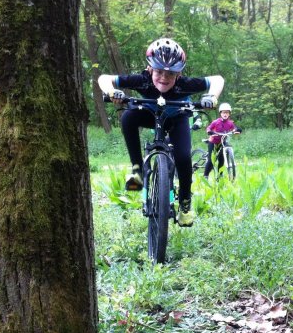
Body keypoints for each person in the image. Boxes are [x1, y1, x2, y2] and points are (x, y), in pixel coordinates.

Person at [98, 38, 224, 227]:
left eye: (171, 74)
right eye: (158, 72)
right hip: (149, 115)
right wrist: (111, 91)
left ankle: (184, 204)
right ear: (150, 70)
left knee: (183, 158)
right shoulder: (142, 80)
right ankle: (137, 171)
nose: (164, 78)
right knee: (127, 117)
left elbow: (217, 79)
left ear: (179, 74)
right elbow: (104, 78)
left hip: (177, 119)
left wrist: (212, 96)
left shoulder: (185, 84)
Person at [203, 102, 241, 178]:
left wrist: (237, 130)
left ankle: (220, 177)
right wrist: (210, 132)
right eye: (223, 112)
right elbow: (208, 128)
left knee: (221, 160)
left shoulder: (230, 123)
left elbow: (234, 128)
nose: (225, 114)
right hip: (213, 142)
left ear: (229, 114)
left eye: (227, 112)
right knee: (211, 161)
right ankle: (205, 176)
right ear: (220, 113)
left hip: (222, 142)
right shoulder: (216, 122)